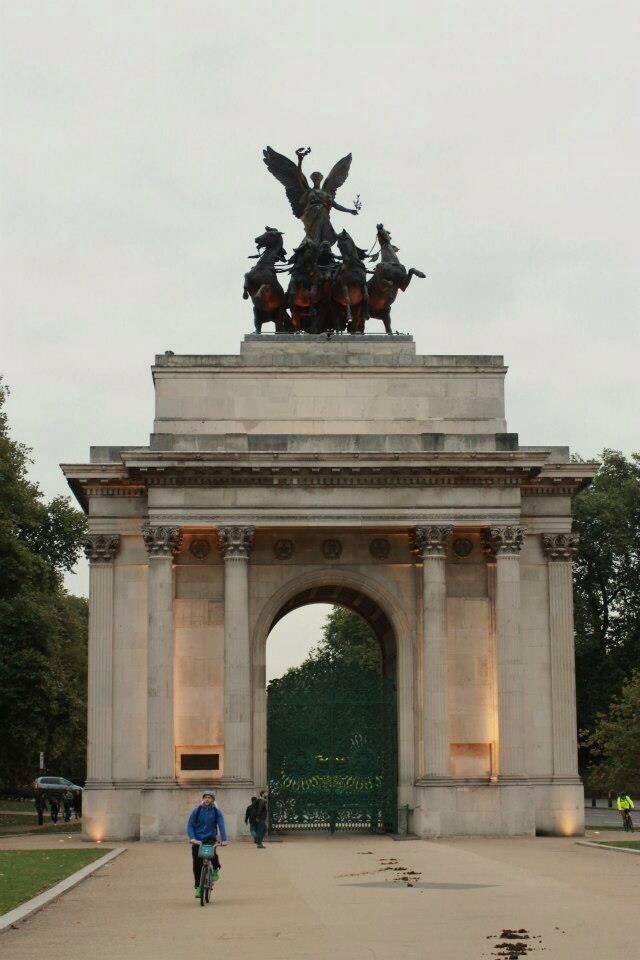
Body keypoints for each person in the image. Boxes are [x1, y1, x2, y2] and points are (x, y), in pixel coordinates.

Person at [186, 791, 227, 899]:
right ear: (202, 799)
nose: (207, 799)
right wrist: (192, 838)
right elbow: (190, 826)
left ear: (213, 799)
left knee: (212, 854)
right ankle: (198, 887)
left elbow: (221, 825)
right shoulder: (197, 810)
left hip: (210, 839)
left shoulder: (216, 812)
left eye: (209, 797)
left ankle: (215, 869)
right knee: (196, 864)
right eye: (205, 797)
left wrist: (224, 839)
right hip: (198, 840)